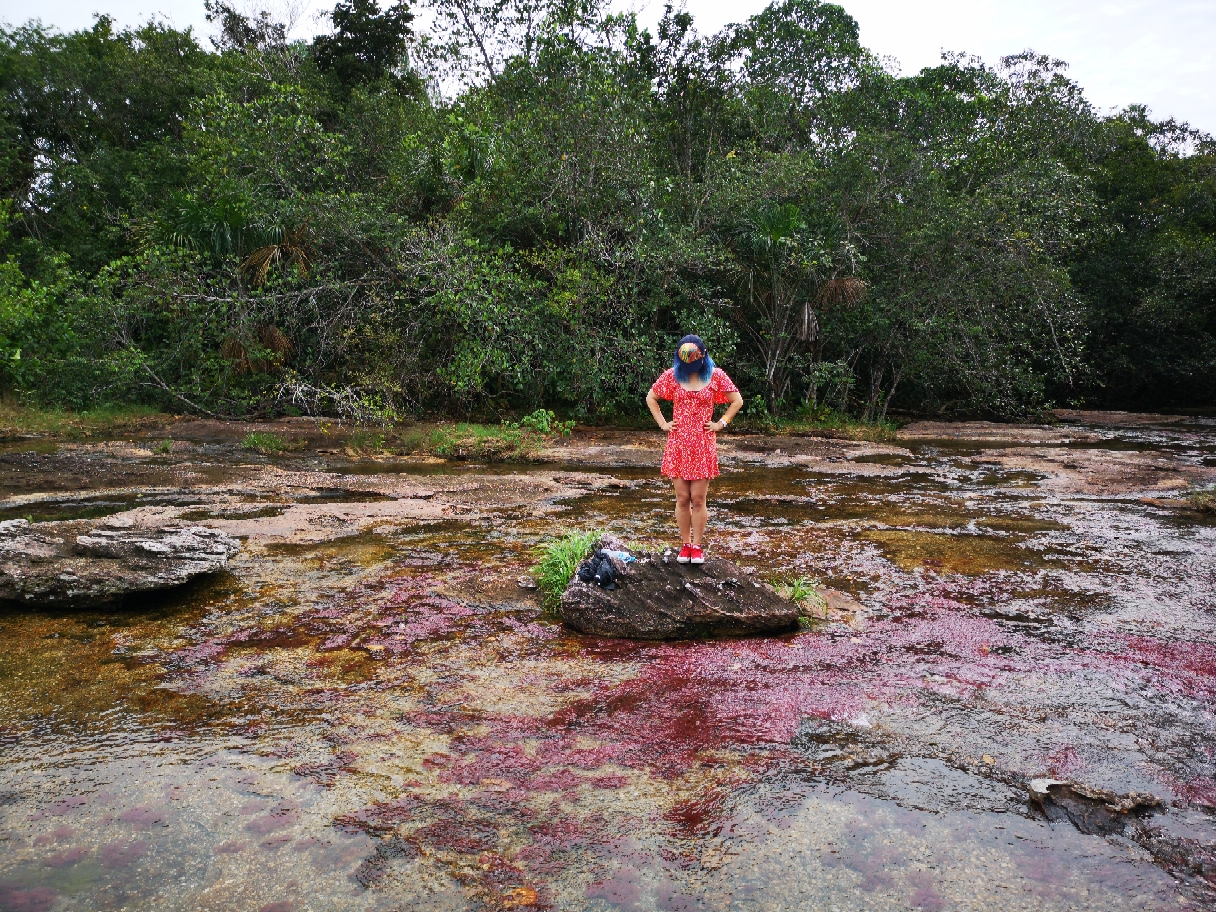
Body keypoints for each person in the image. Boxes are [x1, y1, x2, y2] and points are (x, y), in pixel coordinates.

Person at [645, 335, 744, 564]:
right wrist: (663, 424)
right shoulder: (672, 375)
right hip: (678, 444)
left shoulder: (715, 375)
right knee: (682, 498)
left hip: (702, 444)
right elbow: (651, 397)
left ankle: (697, 547)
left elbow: (737, 400)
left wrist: (722, 423)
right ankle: (685, 544)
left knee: (698, 499)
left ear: (704, 356)